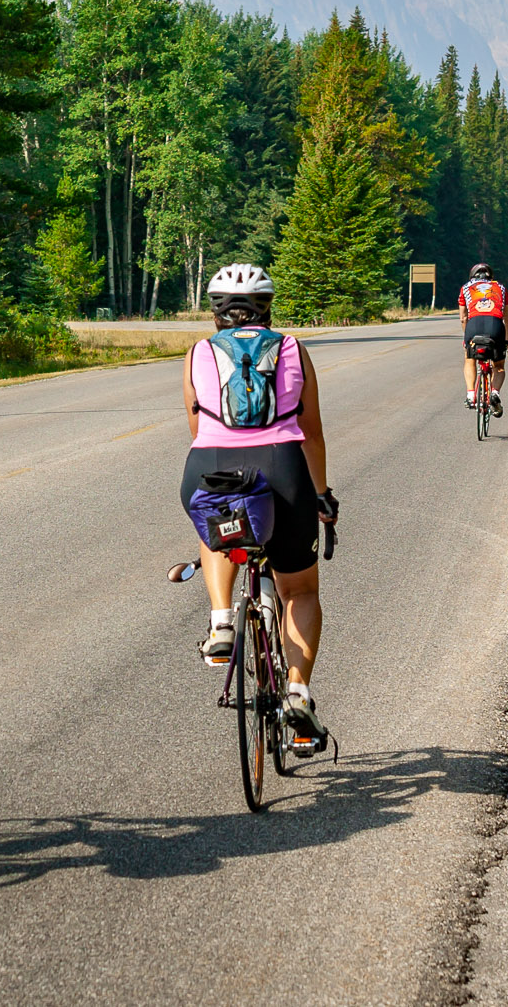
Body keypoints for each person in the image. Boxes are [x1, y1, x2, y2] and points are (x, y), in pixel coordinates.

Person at [181, 263, 333, 752]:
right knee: (300, 590)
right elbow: (310, 431)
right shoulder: (292, 348)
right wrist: (322, 495)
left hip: (211, 465)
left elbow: (196, 423)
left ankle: (222, 620)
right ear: (268, 306)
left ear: (215, 310)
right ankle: (296, 692)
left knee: (216, 531)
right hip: (282, 467)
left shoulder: (197, 353)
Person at [459, 262, 508, 416]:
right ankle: (495, 393)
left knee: (469, 358)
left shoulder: (466, 288)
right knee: (499, 366)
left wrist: (466, 338)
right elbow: (507, 317)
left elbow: (463, 318)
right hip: (495, 326)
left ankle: (470, 395)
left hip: (473, 325)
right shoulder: (501, 288)